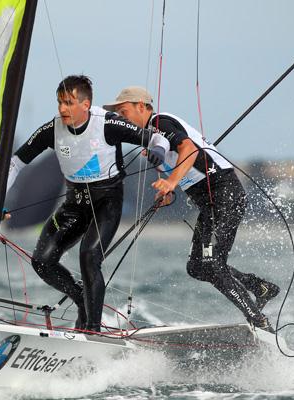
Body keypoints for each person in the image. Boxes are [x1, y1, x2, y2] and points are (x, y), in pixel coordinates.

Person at [103, 86, 279, 332]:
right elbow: (176, 169)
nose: (122, 118)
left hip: (225, 195)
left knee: (213, 263)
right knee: (197, 266)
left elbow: (190, 149)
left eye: (124, 111)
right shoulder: (153, 141)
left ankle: (258, 319)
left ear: (142, 106)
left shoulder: (159, 122)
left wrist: (171, 181)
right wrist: (168, 191)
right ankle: (260, 287)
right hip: (210, 205)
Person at [6, 75, 170, 332]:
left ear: (86, 104)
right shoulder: (52, 129)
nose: (62, 109)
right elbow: (16, 162)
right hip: (75, 203)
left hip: (107, 201)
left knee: (89, 257)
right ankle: (82, 300)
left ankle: (92, 329)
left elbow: (156, 138)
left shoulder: (107, 123)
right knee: (42, 261)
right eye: (60, 102)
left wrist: (158, 151)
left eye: (69, 102)